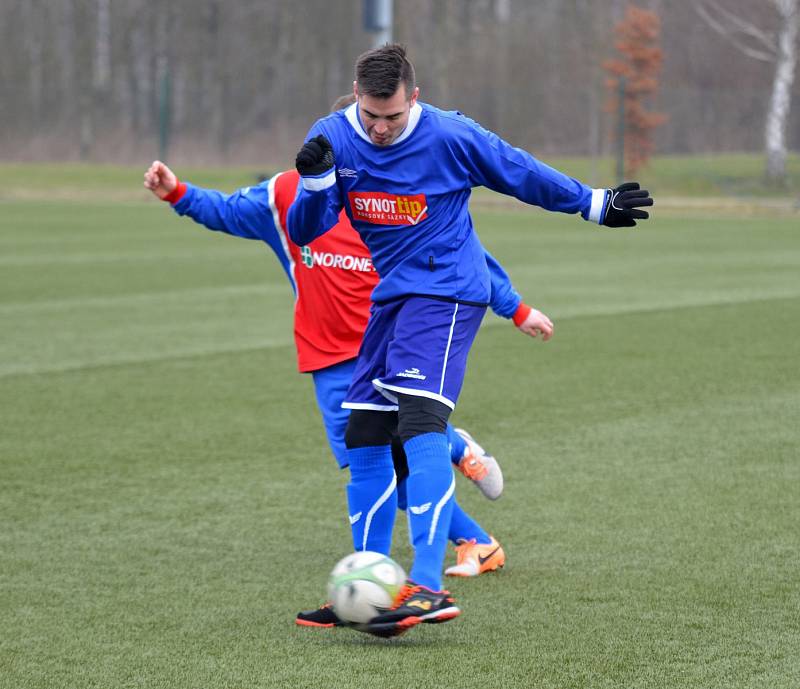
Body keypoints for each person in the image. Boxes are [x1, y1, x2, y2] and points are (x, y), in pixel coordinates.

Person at [287, 44, 653, 637]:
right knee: (365, 433)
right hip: (392, 299)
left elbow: (519, 171)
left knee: (419, 425)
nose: (382, 129)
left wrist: (592, 203)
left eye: (395, 117)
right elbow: (307, 231)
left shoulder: (450, 136)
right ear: (356, 96)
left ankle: (427, 587)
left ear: (416, 99)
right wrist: (316, 182)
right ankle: (369, 582)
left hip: (448, 290)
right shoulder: (331, 138)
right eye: (373, 116)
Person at [142, 99, 551, 627]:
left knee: (408, 444)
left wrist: (515, 308)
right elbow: (227, 211)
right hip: (330, 356)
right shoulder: (288, 193)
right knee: (373, 462)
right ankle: (462, 518)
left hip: (396, 338)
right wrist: (177, 193)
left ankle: (451, 476)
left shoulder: (392, 188)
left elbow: (465, 254)